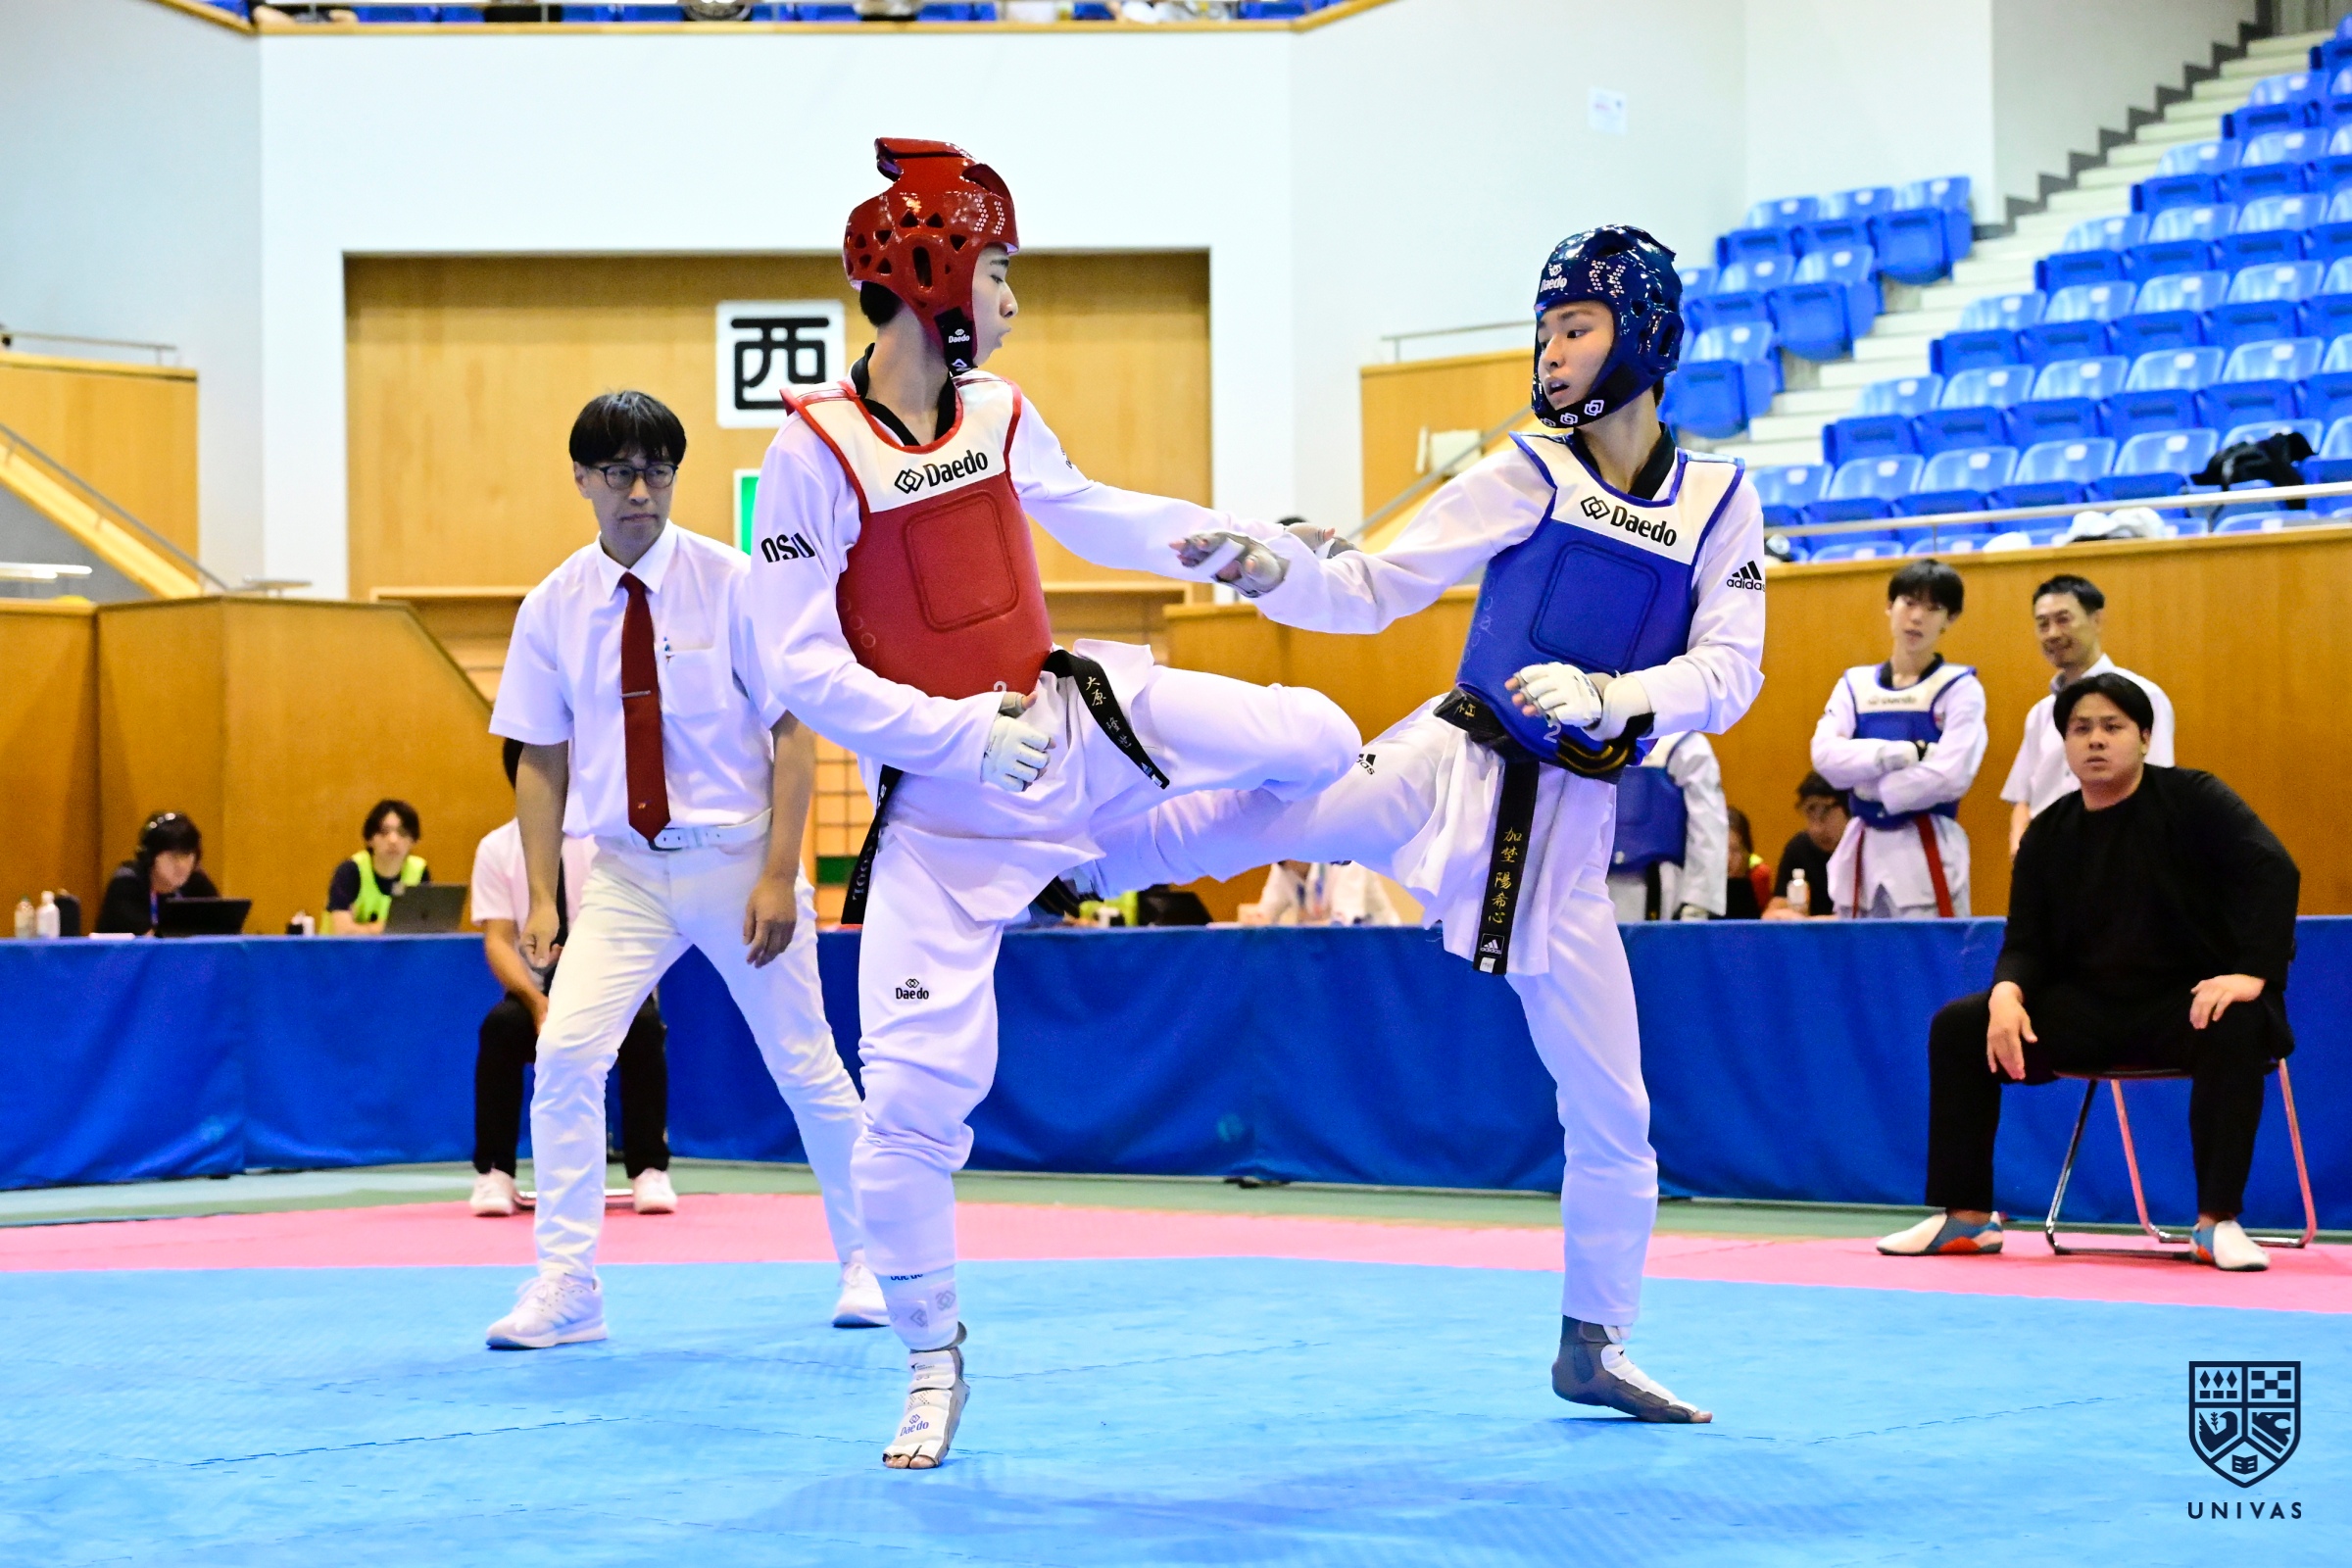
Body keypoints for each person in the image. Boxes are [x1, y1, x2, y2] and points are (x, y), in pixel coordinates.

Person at [745, 139, 1359, 1467]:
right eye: (998, 269)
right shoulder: (812, 451)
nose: (1013, 296)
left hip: (1074, 726)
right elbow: (797, 663)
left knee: (1320, 739)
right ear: (936, 275)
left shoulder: (1002, 413)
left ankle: (1127, 857)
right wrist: (956, 735)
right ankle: (932, 1363)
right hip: (943, 816)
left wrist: (1246, 543)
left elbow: (1097, 513)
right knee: (903, 1123)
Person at [1098, 224, 1765, 1425]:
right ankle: (1076, 854)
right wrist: (1271, 569)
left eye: (1577, 327)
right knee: (1273, 814)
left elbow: (1732, 671)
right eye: (1546, 329)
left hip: (1572, 829)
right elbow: (1373, 586)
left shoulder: (1722, 499)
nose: (1553, 352)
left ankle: (1595, 1343)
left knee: (1616, 1110)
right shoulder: (1527, 470)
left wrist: (1618, 695)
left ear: (1644, 335)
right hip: (1450, 762)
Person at [482, 389, 882, 1352]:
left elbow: (793, 735)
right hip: (622, 873)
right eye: (619, 473)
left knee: (807, 1065)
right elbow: (539, 758)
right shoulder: (552, 606)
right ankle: (568, 1284)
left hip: (739, 862)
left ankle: (877, 1259)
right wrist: (542, 895)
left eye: (657, 472)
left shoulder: (736, 583)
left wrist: (780, 874)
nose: (640, 492)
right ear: (581, 479)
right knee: (566, 1056)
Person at [1878, 673, 2297, 1272]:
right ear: (2064, 744)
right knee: (1960, 1027)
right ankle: (1966, 1219)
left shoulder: (2196, 799)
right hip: (2089, 1012)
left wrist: (2251, 973)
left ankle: (2216, 1223)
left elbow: (2274, 869)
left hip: (2184, 1007)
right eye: (2080, 729)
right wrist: (2006, 994)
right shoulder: (2048, 834)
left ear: (2145, 737)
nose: (2095, 740)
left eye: (2111, 727)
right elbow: (2026, 941)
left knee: (2237, 1018)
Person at [469, 739, 673, 1220]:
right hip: (534, 991)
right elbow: (498, 940)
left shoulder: (608, 840)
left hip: (606, 987)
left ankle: (649, 1169)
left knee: (644, 1026)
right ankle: (495, 1173)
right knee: (500, 1028)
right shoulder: (496, 849)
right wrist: (536, 1002)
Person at [1809, 561, 1986, 918]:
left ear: (1950, 619)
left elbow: (1951, 776)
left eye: (1933, 608)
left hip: (1928, 848)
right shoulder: (1855, 684)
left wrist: (1869, 787)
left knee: (1933, 952)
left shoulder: (1960, 688)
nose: (1917, 617)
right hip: (1861, 848)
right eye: (1909, 602)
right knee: (1859, 951)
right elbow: (1825, 756)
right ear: (1890, 606)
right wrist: (1904, 754)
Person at [1999, 573, 2176, 857]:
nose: (2052, 633)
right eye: (2043, 624)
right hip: (2047, 857)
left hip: (2116, 854)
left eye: (2063, 619)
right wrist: (2019, 843)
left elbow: (2157, 790)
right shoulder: (2041, 713)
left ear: (2096, 620)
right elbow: (2023, 797)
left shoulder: (2143, 695)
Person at [1604, 730, 1727, 922]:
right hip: (1593, 873)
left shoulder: (1685, 745)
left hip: (1657, 878)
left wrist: (1697, 904)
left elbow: (1708, 829)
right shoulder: (1587, 733)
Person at [94, 812, 220, 936]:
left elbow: (222, 933)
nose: (182, 866)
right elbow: (150, 944)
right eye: (173, 857)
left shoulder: (197, 884)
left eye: (187, 855)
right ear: (150, 857)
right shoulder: (126, 884)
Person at [326, 799, 431, 935]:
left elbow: (424, 927)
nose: (393, 840)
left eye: (402, 832)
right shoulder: (350, 871)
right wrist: (392, 927)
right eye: (384, 832)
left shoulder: (419, 871)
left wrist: (362, 929)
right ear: (370, 839)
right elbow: (343, 931)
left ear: (413, 840)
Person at [1762, 771, 1845, 919]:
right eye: (1809, 814)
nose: (1816, 829)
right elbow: (1773, 911)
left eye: (1825, 812)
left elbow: (1868, 917)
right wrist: (1780, 916)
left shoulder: (1865, 847)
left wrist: (1815, 924)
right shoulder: (1799, 849)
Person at [1237, 859, 1401, 926]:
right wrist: (1254, 919)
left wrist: (1305, 925)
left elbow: (1345, 924)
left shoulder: (1346, 860)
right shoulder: (1283, 867)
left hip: (1382, 946)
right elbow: (1266, 914)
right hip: (1329, 948)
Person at [1722, 806, 1772, 919]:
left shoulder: (1758, 876)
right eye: (1721, 850)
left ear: (1746, 851)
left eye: (1735, 850)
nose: (1728, 859)